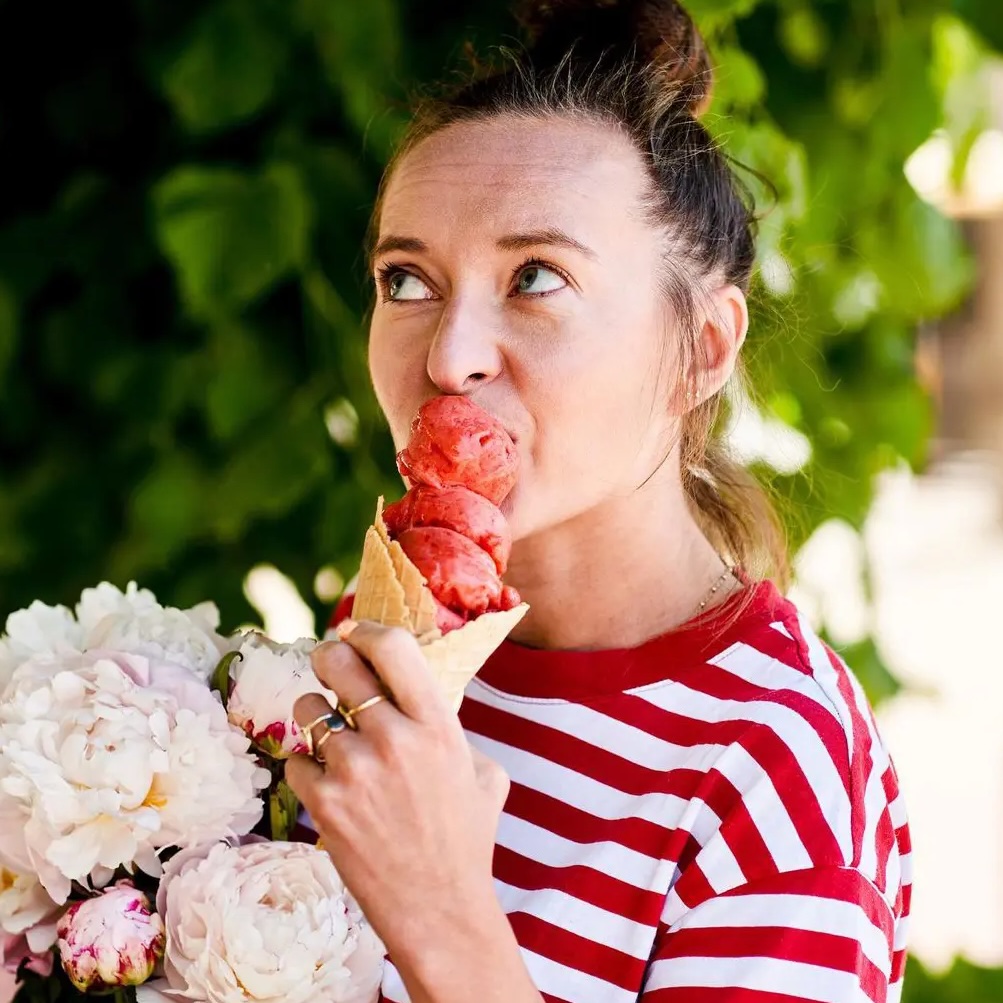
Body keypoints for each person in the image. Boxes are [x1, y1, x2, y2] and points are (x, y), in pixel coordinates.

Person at [285, 1, 912, 1001]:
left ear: (702, 347)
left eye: (535, 276)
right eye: (406, 280)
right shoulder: (386, 652)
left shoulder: (777, 765)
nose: (448, 358)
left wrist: (442, 913)